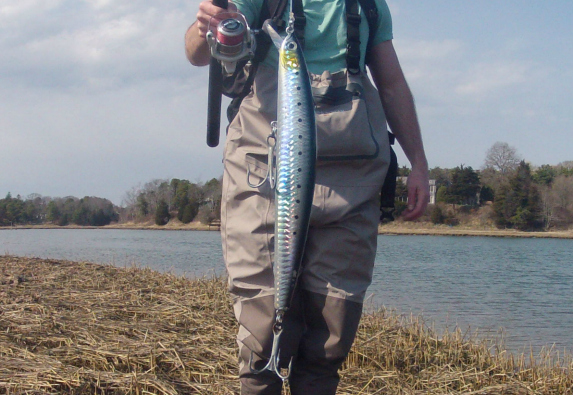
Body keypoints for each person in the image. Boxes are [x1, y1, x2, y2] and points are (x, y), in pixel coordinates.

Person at [185, 0, 429, 393]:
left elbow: (392, 82)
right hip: (263, 174)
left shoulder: (369, 5)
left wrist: (418, 161)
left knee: (330, 337)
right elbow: (198, 54)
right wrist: (206, 27)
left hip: (352, 180)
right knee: (261, 338)